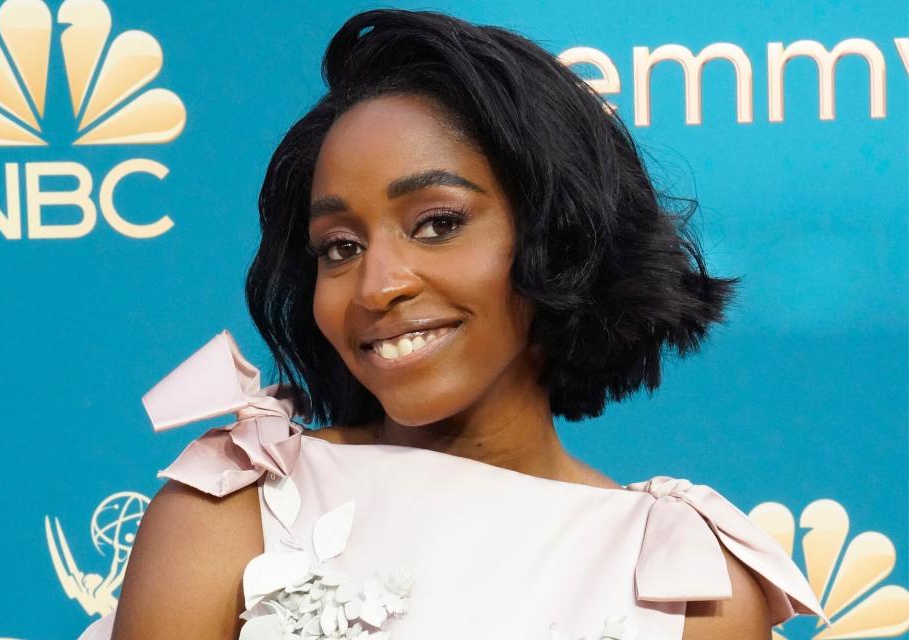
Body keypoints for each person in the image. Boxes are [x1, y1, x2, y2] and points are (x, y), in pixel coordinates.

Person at [81, 8, 829, 640]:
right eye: (339, 248)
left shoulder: (683, 581)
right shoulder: (227, 514)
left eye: (436, 224)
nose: (378, 285)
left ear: (556, 237)